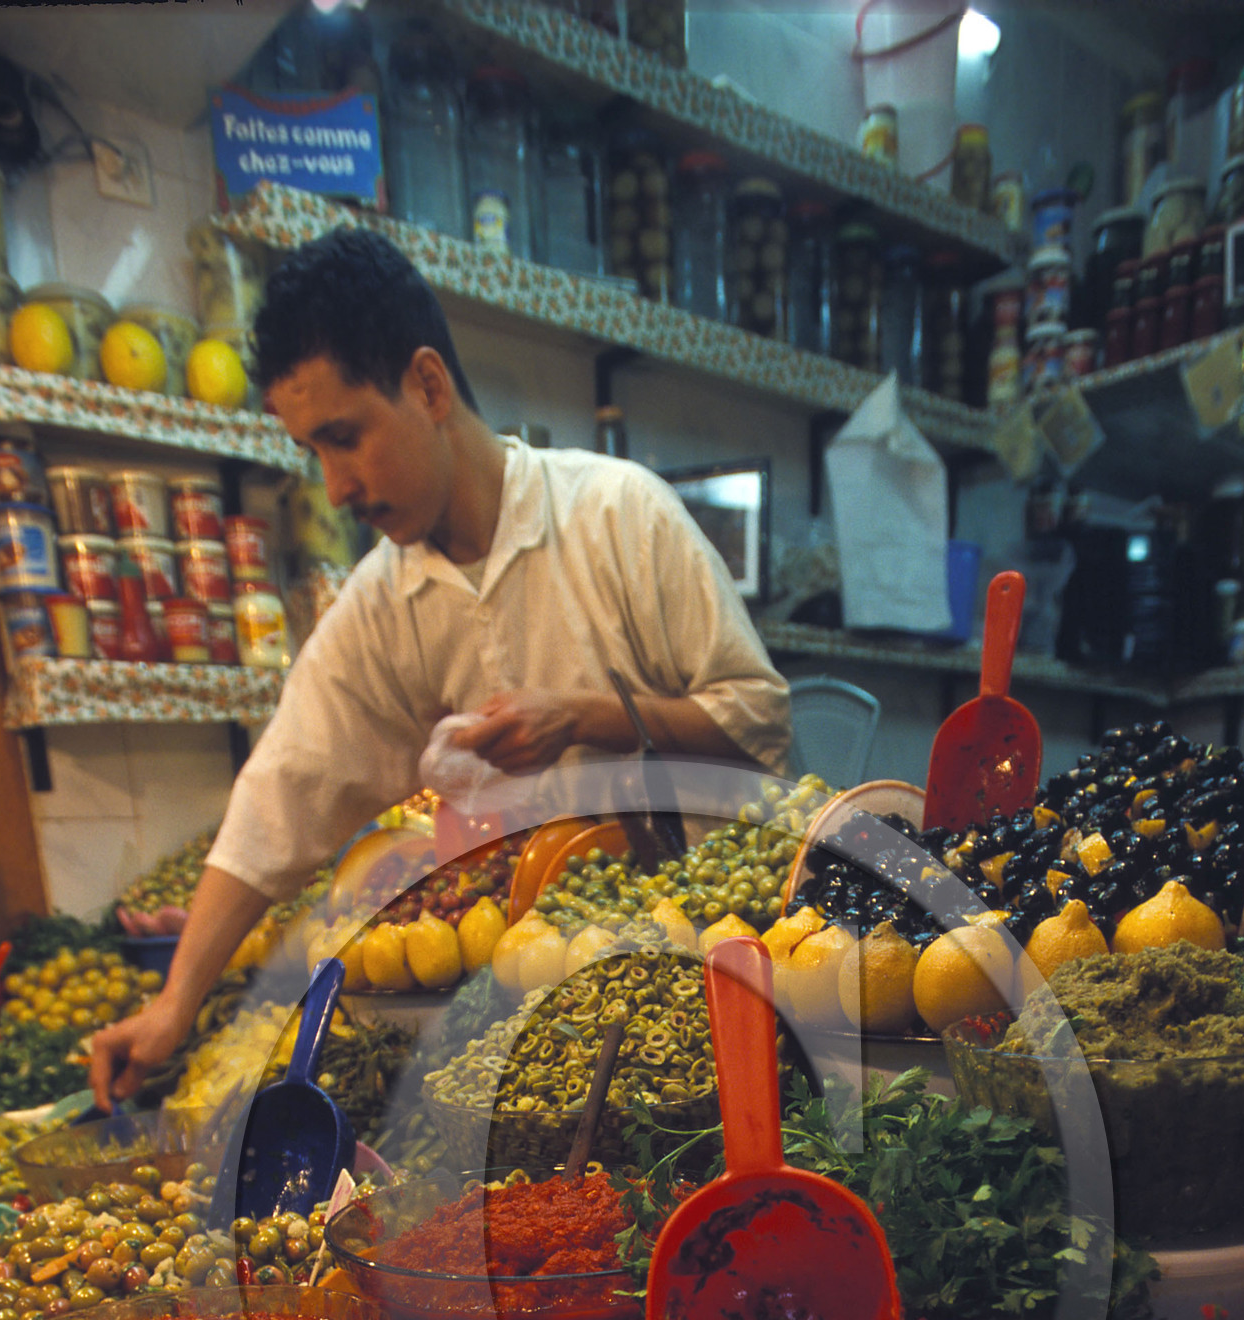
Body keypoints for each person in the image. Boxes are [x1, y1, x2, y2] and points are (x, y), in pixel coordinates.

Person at [92, 226, 790, 1104]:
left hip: (717, 970)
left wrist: (584, 716)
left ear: (427, 385)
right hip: (544, 1009)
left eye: (345, 437)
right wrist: (173, 1005)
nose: (335, 487)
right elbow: (280, 799)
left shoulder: (619, 515)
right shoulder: (383, 601)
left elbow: (758, 720)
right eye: (314, 452)